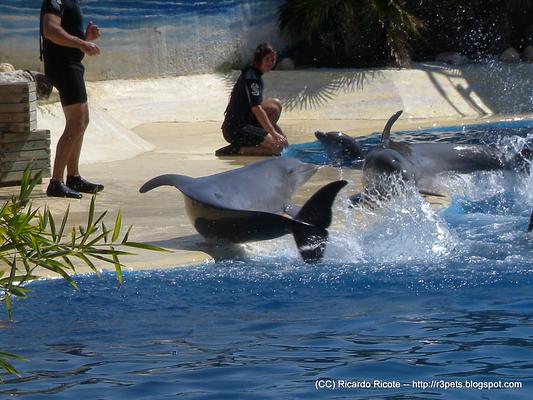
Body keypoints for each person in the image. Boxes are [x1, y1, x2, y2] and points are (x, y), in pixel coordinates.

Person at [40, 0, 104, 198]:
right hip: (63, 67)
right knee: (76, 124)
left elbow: (65, 39)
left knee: (82, 122)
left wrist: (85, 38)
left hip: (71, 65)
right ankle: (56, 182)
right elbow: (50, 30)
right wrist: (82, 43)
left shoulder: (70, 2)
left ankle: (73, 177)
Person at [218, 43, 288, 156]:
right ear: (259, 60)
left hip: (247, 121)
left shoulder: (255, 74)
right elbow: (257, 109)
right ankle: (237, 149)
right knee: (277, 148)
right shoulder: (251, 78)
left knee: (275, 105)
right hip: (235, 129)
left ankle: (261, 139)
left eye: (273, 60)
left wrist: (281, 134)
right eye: (267, 59)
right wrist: (274, 135)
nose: (270, 63)